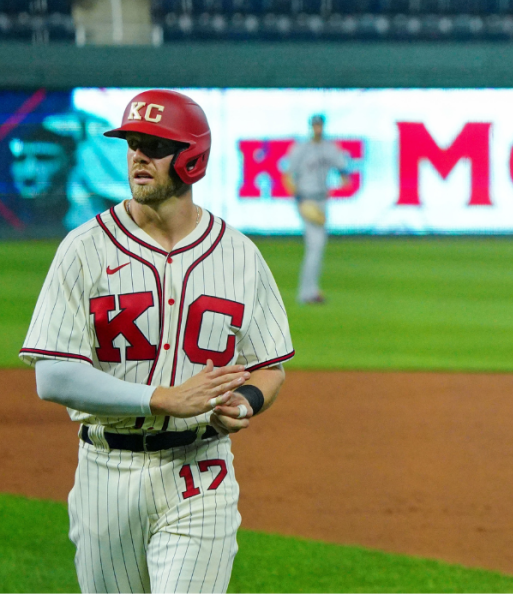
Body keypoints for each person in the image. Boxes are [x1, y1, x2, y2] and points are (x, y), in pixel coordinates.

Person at [19, 89, 294, 594]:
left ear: (191, 160)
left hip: (200, 471)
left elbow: (268, 365)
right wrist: (158, 399)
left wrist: (246, 400)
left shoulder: (238, 255)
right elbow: (52, 376)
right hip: (106, 472)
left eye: (154, 144)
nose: (138, 156)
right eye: (132, 143)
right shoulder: (83, 248)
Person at [281, 114, 349, 305]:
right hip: (307, 199)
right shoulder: (301, 149)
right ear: (311, 127)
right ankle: (306, 293)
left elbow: (344, 173)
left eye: (320, 125)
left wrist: (338, 185)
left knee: (318, 247)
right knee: (315, 246)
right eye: (315, 125)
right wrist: (300, 200)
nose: (318, 128)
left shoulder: (330, 148)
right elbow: (287, 176)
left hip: (322, 200)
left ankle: (311, 290)